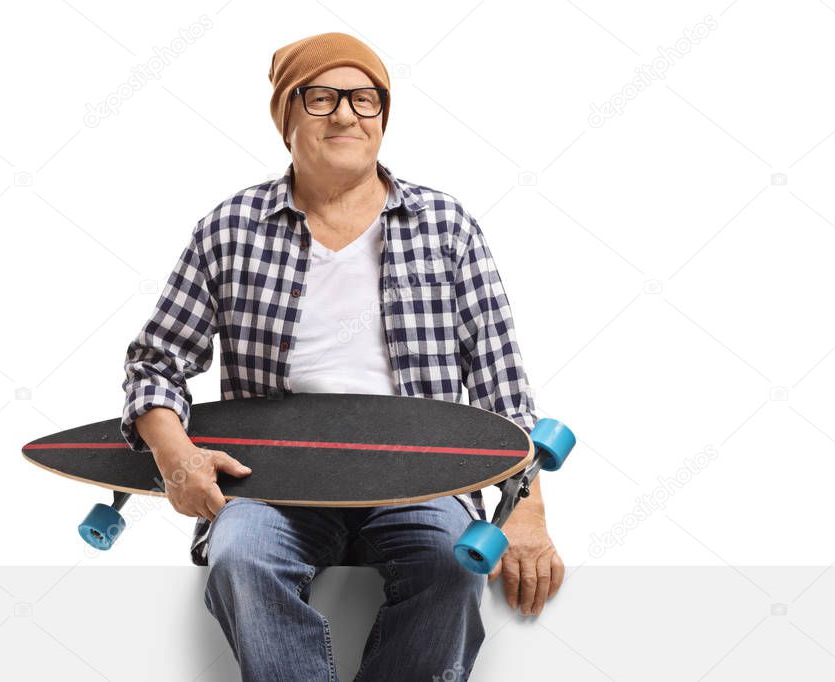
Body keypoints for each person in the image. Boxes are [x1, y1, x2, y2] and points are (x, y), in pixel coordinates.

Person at [120, 31, 564, 681]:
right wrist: (174, 454)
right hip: (271, 479)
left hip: (419, 476)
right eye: (322, 96)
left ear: (382, 117)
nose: (347, 113)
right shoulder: (229, 227)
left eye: (365, 98)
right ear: (287, 116)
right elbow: (156, 362)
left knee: (450, 564)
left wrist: (525, 511)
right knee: (240, 561)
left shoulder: (446, 225)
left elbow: (502, 386)